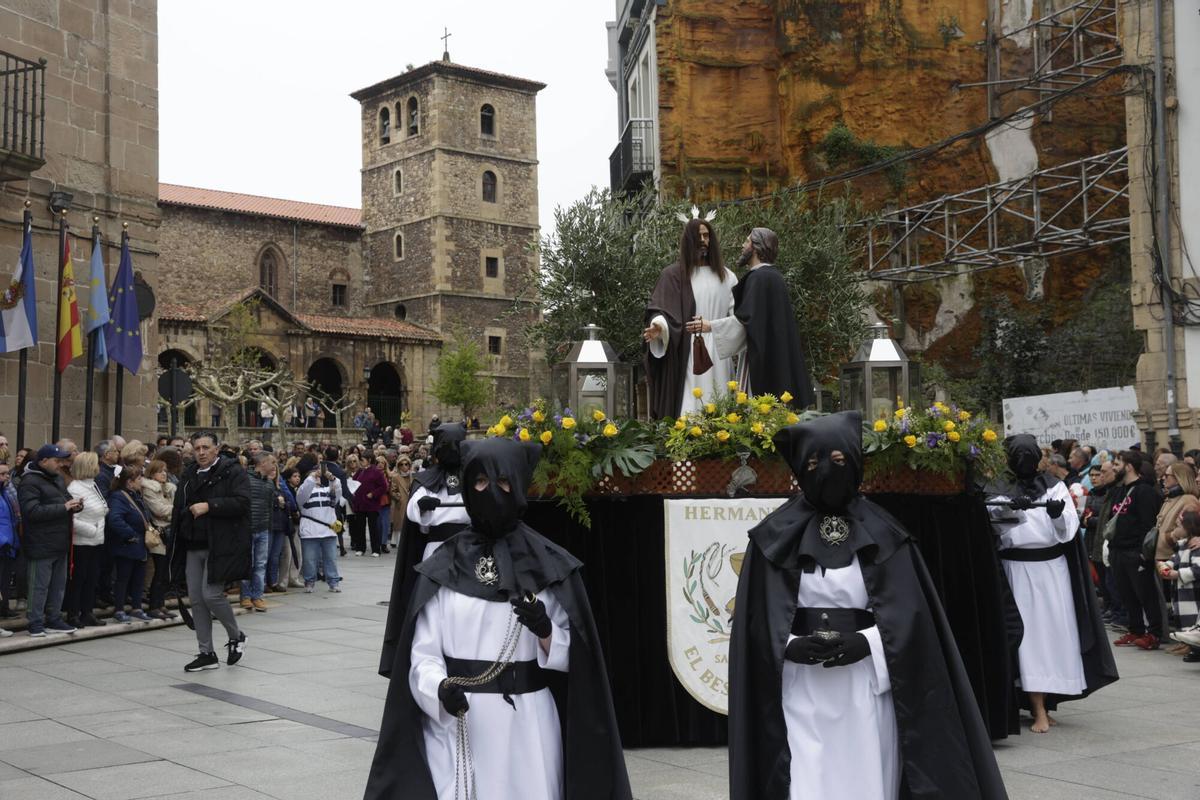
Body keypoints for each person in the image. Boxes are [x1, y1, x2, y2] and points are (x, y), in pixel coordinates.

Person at [727, 412, 1007, 800]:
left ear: (856, 462)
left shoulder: (885, 532)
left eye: (839, 460)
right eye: (814, 463)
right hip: (800, 689)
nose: (827, 471)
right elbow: (755, 621)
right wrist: (789, 646)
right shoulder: (773, 537)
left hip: (865, 688)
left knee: (867, 778)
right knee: (805, 780)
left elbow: (912, 619)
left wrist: (869, 643)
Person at [365, 438, 632, 800]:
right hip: (461, 721)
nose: (490, 492)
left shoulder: (549, 566)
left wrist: (546, 632)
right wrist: (439, 689)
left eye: (503, 482)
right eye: (479, 482)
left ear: (518, 485)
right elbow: (423, 655)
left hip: (529, 725)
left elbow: (582, 661)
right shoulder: (443, 566)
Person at [988, 435, 1117, 733]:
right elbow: (993, 526)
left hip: (1051, 572)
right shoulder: (998, 487)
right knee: (1028, 638)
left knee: (1053, 635)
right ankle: (1036, 707)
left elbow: (1067, 529)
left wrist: (1057, 515)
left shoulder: (1055, 485)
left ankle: (1046, 701)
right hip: (1016, 570)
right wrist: (1012, 509)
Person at [700, 227, 815, 408]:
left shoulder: (758, 278)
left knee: (757, 411)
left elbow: (746, 322)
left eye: (747, 241)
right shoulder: (774, 277)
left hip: (761, 358)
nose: (742, 245)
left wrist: (710, 326)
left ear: (756, 247)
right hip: (776, 355)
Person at [168, 432, 251, 672]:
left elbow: (243, 503)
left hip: (221, 544)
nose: (201, 452)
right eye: (197, 448)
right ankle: (206, 653)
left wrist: (209, 506)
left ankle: (236, 636)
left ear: (217, 448)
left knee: (211, 595)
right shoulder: (189, 473)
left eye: (206, 447)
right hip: (192, 543)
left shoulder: (232, 471)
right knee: (196, 599)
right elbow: (179, 508)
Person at [643, 217, 738, 418]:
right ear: (688, 240)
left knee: (721, 402)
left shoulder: (728, 277)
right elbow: (664, 310)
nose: (703, 240)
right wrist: (660, 327)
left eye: (706, 235)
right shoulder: (675, 275)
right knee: (690, 405)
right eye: (698, 236)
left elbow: (739, 320)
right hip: (690, 351)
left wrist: (713, 326)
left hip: (719, 351)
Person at [17, 444, 81, 637]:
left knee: (58, 586)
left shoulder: (57, 478)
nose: (60, 464)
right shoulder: (29, 482)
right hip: (40, 543)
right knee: (39, 586)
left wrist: (77, 505)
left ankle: (54, 619)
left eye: (62, 460)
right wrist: (64, 507)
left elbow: (66, 500)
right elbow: (32, 512)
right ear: (44, 461)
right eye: (57, 461)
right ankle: (35, 622)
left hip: (59, 542)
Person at [1108, 449, 1163, 649]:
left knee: (1145, 594)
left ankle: (1154, 634)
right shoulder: (1118, 491)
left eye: (1117, 464)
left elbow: (1147, 524)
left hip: (1135, 551)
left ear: (1129, 466)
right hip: (1118, 551)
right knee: (1127, 594)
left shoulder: (1144, 491)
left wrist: (1142, 553)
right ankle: (1136, 630)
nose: (1114, 468)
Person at [106, 464, 154, 624]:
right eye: (139, 478)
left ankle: (137, 607)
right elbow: (115, 519)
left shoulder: (135, 495)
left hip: (139, 545)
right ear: (129, 482)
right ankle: (119, 609)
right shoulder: (119, 497)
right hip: (127, 545)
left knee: (138, 578)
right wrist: (131, 535)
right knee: (123, 578)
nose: (142, 481)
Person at [65, 453, 108, 628]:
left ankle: (87, 612)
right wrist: (92, 530)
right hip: (82, 542)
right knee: (78, 579)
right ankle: (73, 614)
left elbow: (101, 509)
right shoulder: (75, 488)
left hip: (96, 540)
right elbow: (72, 519)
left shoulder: (92, 485)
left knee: (91, 578)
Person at [296, 460, 343, 592]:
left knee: (331, 559)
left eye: (318, 475)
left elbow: (338, 490)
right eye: (313, 475)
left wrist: (331, 478)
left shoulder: (327, 490)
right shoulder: (302, 492)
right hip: (310, 532)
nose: (317, 477)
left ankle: (333, 582)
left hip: (328, 531)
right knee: (309, 560)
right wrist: (312, 477)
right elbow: (303, 491)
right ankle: (309, 582)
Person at [240, 452, 278, 612]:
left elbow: (270, 508)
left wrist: (269, 527)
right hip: (247, 528)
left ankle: (258, 596)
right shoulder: (245, 479)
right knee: (248, 564)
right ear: (263, 463)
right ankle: (246, 596)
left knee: (261, 564)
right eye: (272, 462)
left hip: (263, 529)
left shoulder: (269, 483)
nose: (274, 466)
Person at [141, 460, 177, 620]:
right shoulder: (149, 489)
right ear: (152, 473)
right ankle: (154, 606)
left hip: (169, 532)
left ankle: (161, 604)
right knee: (159, 571)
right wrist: (175, 510)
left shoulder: (168, 489)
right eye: (160, 471)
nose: (164, 474)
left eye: (165, 471)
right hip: (158, 534)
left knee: (165, 572)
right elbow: (159, 510)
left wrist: (171, 511)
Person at [266, 465, 298, 594]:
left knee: (275, 555)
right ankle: (263, 582)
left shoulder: (280, 486)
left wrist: (284, 504)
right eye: (271, 469)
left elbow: (291, 503)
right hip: (268, 524)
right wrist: (276, 501)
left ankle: (273, 582)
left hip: (280, 524)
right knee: (266, 555)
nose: (273, 472)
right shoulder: (264, 485)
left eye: (275, 470)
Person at [352, 455, 389, 557]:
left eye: (362, 460)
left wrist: (373, 493)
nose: (361, 462)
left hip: (371, 504)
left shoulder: (376, 472)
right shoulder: (360, 471)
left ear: (369, 460)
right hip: (360, 503)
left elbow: (383, 486)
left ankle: (376, 549)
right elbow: (354, 481)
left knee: (373, 527)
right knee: (360, 527)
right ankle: (360, 548)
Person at [0, 462, 20, 626]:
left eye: (7, 473)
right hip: (3, 544)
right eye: (3, 474)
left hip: (8, 545)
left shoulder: (5, 493)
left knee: (5, 581)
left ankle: (3, 608)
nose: (7, 477)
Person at [389, 453, 414, 549]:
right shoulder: (396, 477)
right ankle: (398, 542)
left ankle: (408, 542)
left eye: (406, 464)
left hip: (411, 502)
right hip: (401, 503)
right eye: (401, 464)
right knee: (399, 523)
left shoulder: (412, 476)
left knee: (410, 522)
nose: (404, 466)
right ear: (398, 466)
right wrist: (398, 497)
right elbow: (392, 490)